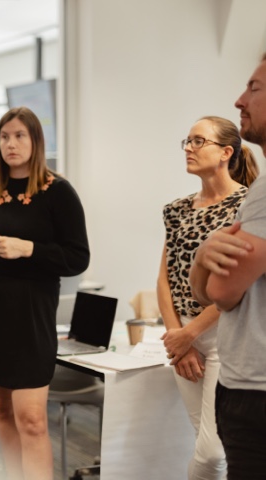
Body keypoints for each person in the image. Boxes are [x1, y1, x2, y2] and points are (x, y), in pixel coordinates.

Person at [0, 107, 89, 480]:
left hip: (31, 318)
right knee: (2, 410)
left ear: (35, 141)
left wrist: (27, 248)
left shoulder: (57, 192)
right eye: (4, 137)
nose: (11, 144)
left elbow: (78, 258)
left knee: (31, 418)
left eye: (19, 136)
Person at [157, 116, 258, 480]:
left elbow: (241, 284)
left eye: (199, 141)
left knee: (214, 452)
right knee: (204, 441)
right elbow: (164, 277)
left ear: (225, 153)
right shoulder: (177, 209)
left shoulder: (248, 205)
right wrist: (177, 337)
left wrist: (190, 335)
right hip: (182, 335)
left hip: (227, 334)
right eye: (187, 140)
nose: (188, 147)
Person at [190, 53, 266, 479]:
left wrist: (204, 263)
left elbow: (219, 293)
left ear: (226, 153)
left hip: (254, 388)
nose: (240, 100)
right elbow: (202, 286)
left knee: (207, 456)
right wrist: (204, 258)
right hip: (246, 380)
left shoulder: (254, 196)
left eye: (254, 88)